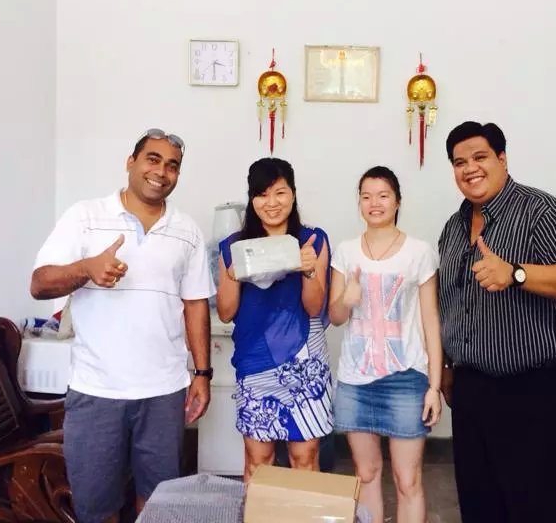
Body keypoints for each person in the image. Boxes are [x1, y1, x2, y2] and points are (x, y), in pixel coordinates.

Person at [30, 129, 214, 523]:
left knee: (158, 503)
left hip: (164, 392)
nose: (161, 172)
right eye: (152, 159)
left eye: (172, 166)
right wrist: (87, 268)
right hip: (97, 391)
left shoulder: (187, 230)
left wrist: (202, 374)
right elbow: (39, 284)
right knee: (97, 508)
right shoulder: (85, 217)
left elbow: (196, 303)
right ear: (131, 162)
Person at [438, 121, 556, 523]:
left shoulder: (542, 212)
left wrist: (516, 273)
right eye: (459, 162)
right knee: (480, 503)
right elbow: (450, 301)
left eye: (480, 157)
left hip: (540, 387)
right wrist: (446, 365)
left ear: (502, 158)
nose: (470, 168)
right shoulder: (454, 228)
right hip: (474, 387)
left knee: (538, 506)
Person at [329, 166, 442, 523]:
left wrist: (434, 386)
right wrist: (347, 299)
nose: (374, 203)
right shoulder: (346, 251)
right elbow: (335, 317)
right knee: (366, 474)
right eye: (366, 196)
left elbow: (430, 320)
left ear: (397, 202)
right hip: (355, 380)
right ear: (359, 203)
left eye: (383, 195)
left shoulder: (419, 252)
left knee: (408, 480)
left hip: (406, 378)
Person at [216, 157, 333, 481]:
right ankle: (259, 510)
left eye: (280, 192)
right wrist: (233, 275)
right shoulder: (234, 246)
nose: (272, 203)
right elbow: (226, 312)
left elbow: (314, 307)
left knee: (305, 458)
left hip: (305, 363)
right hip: (255, 363)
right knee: (258, 462)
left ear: (293, 194)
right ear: (251, 199)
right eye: (262, 194)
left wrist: (308, 269)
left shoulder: (312, 241)